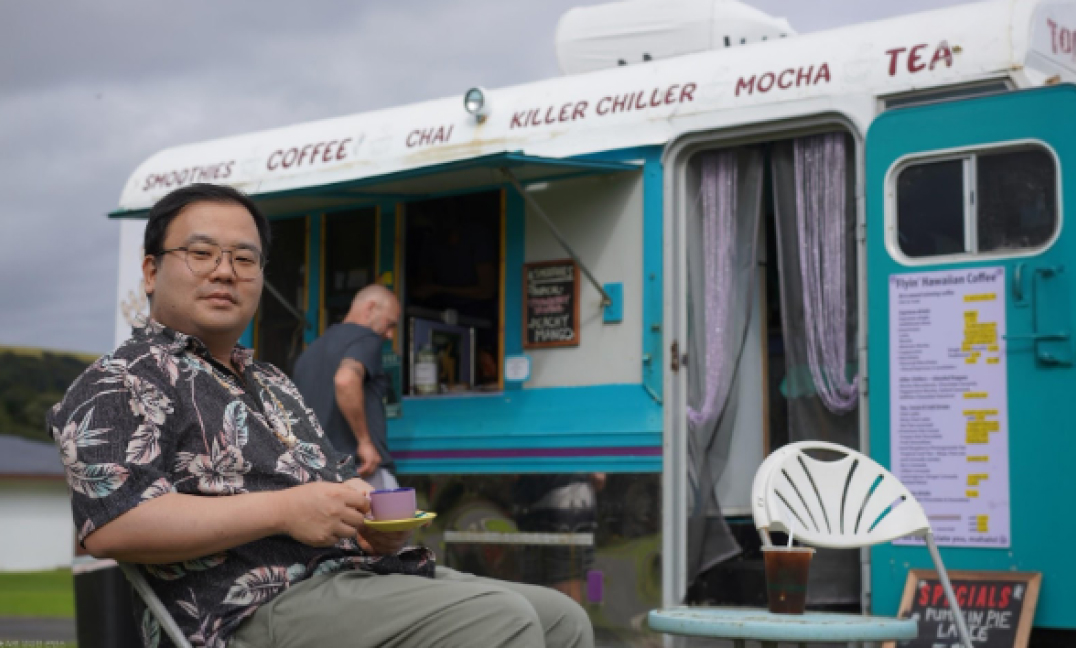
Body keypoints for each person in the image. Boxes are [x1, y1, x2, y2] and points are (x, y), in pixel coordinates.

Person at [47, 183, 593, 648]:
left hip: (353, 576)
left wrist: (368, 527)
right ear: (151, 271)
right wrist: (285, 510)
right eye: (201, 253)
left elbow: (325, 498)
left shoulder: (272, 381)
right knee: (501, 619)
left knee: (562, 617)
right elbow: (114, 526)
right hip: (247, 610)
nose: (225, 271)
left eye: (244, 259)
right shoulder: (120, 378)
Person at [293, 285, 399, 490]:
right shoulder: (367, 338)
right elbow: (346, 380)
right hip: (360, 473)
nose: (390, 334)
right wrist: (365, 443)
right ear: (370, 308)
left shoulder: (310, 352)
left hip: (318, 480)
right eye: (390, 324)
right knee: (400, 511)